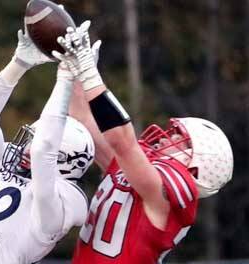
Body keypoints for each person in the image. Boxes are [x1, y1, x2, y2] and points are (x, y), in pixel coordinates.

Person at [53, 22, 234, 263]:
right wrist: (74, 71)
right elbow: (83, 119)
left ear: (194, 169)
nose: (168, 138)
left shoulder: (171, 195)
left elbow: (122, 142)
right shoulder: (135, 175)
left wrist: (89, 73)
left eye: (181, 141)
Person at [0, 27, 96, 264]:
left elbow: (43, 150)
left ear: (65, 161)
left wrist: (65, 77)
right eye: (30, 139)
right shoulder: (6, 168)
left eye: (36, 141)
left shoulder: (59, 204)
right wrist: (18, 64)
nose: (25, 149)